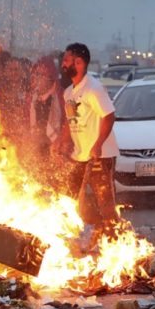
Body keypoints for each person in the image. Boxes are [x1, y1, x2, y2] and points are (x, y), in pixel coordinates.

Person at [57, 43, 120, 244]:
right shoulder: (69, 92)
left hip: (100, 156)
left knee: (106, 204)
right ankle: (90, 236)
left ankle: (115, 244)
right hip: (79, 156)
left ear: (79, 62)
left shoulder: (93, 88)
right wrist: (61, 140)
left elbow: (109, 116)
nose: (63, 65)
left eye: (66, 60)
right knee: (71, 200)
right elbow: (70, 120)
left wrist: (98, 144)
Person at [29, 57, 62, 158]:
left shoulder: (61, 95)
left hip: (56, 144)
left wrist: (59, 141)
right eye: (37, 74)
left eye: (42, 75)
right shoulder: (32, 96)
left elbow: (67, 123)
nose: (38, 78)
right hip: (36, 144)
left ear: (50, 77)